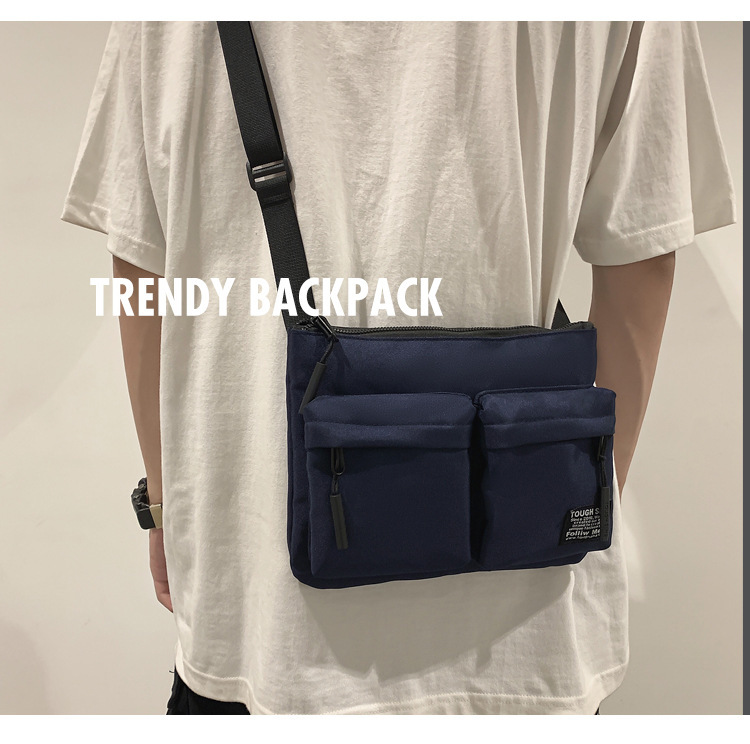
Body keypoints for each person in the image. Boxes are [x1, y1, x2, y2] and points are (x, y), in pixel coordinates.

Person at [60, 21, 736, 715]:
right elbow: (641, 253)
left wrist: (166, 507)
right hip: (523, 630)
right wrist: (579, 491)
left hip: (260, 625)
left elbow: (140, 261)